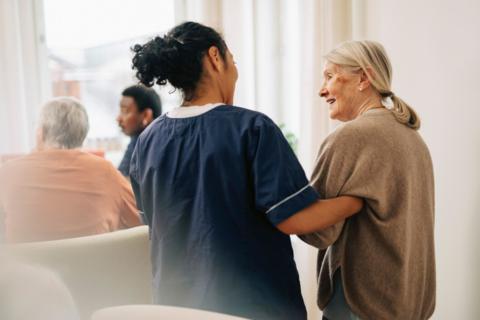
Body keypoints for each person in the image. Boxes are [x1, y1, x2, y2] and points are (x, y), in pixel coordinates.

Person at [129, 21, 363, 320]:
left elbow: (153, 224)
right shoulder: (252, 129)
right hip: (253, 306)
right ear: (215, 57)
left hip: (177, 306)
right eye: (233, 61)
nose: (235, 71)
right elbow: (295, 218)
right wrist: (357, 200)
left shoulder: (148, 140)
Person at [300, 40, 435, 319]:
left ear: (363, 78)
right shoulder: (414, 139)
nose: (321, 89)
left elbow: (317, 230)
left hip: (361, 304)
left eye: (329, 76)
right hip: (408, 303)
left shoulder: (350, 138)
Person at [0, 97, 141, 243]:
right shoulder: (106, 172)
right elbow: (145, 221)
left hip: (24, 264)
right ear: (82, 134)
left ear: (41, 133)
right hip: (92, 264)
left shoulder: (8, 172)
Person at [116, 85, 162, 177]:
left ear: (146, 115)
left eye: (125, 111)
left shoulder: (154, 147)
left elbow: (122, 182)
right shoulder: (137, 139)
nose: (118, 118)